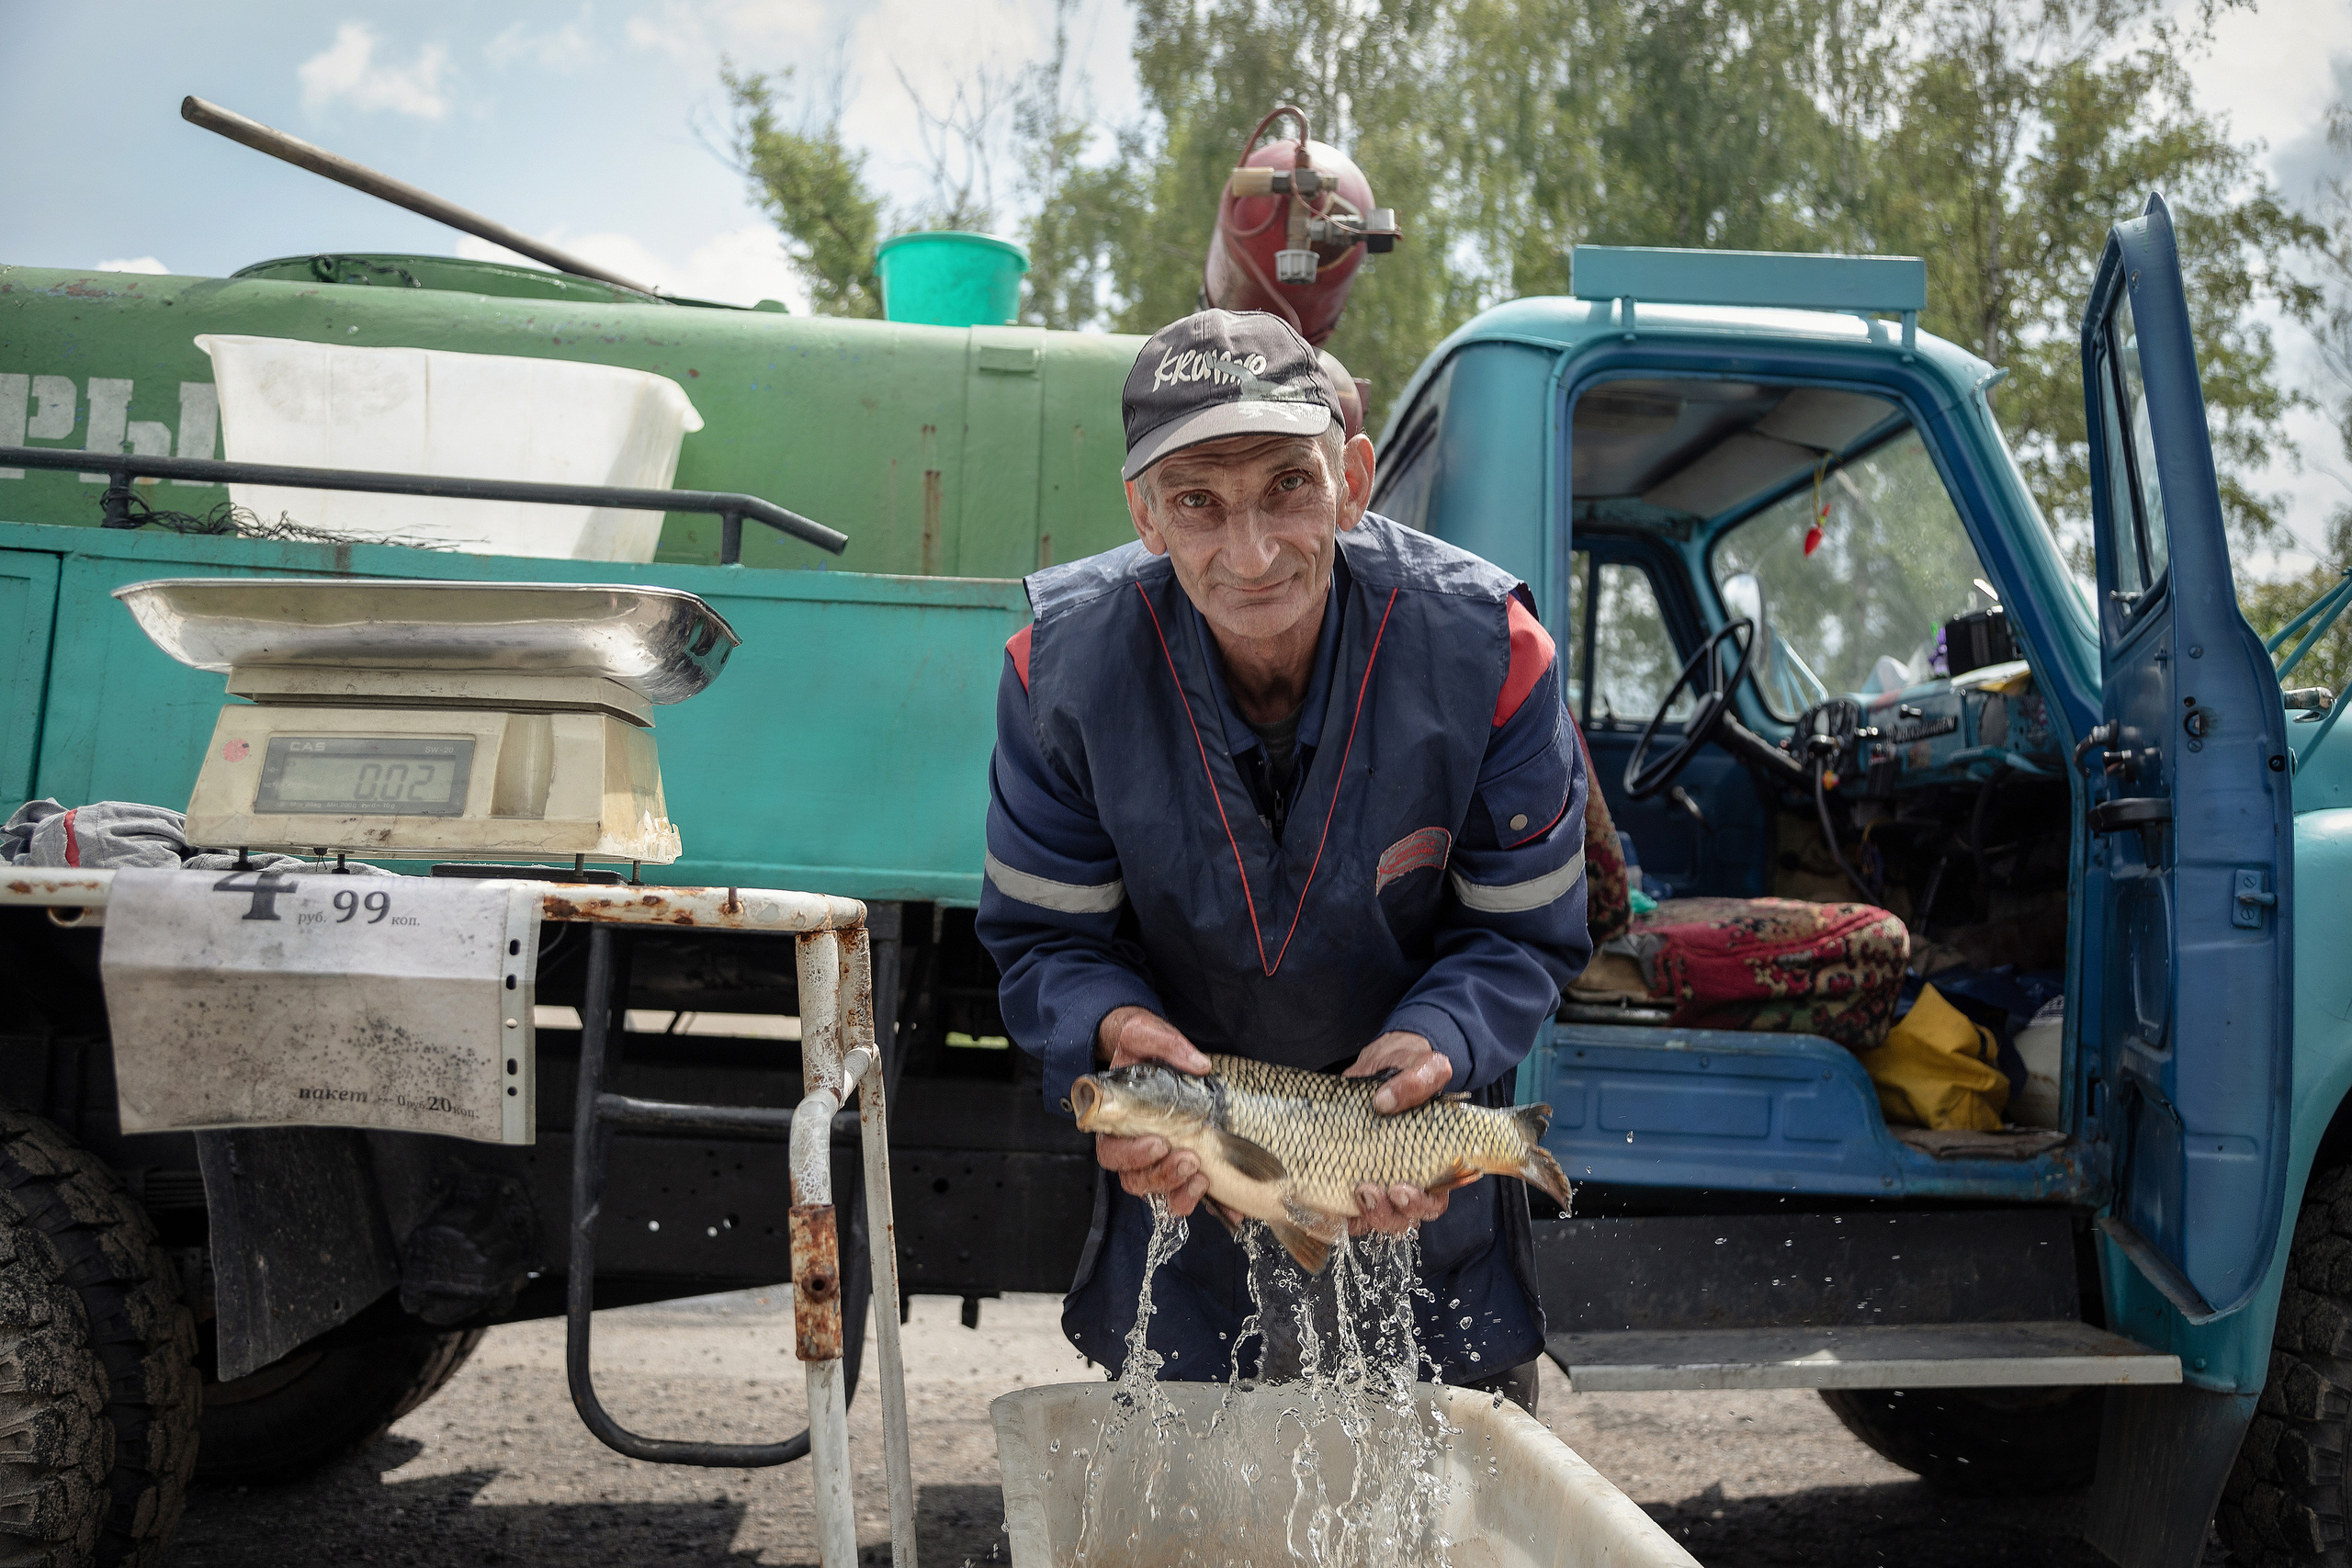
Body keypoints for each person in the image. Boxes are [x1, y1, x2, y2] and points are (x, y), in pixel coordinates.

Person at [976, 309, 1590, 1407]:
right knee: (1197, 1504)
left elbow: (1519, 936)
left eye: (1287, 489)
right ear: (1144, 515)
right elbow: (1045, 941)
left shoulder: (1492, 652)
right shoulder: (1056, 673)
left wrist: (1438, 1042)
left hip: (1406, 1160)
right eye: (1198, 503)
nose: (1250, 552)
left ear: (1352, 479)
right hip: (1184, 1179)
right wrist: (1113, 1031)